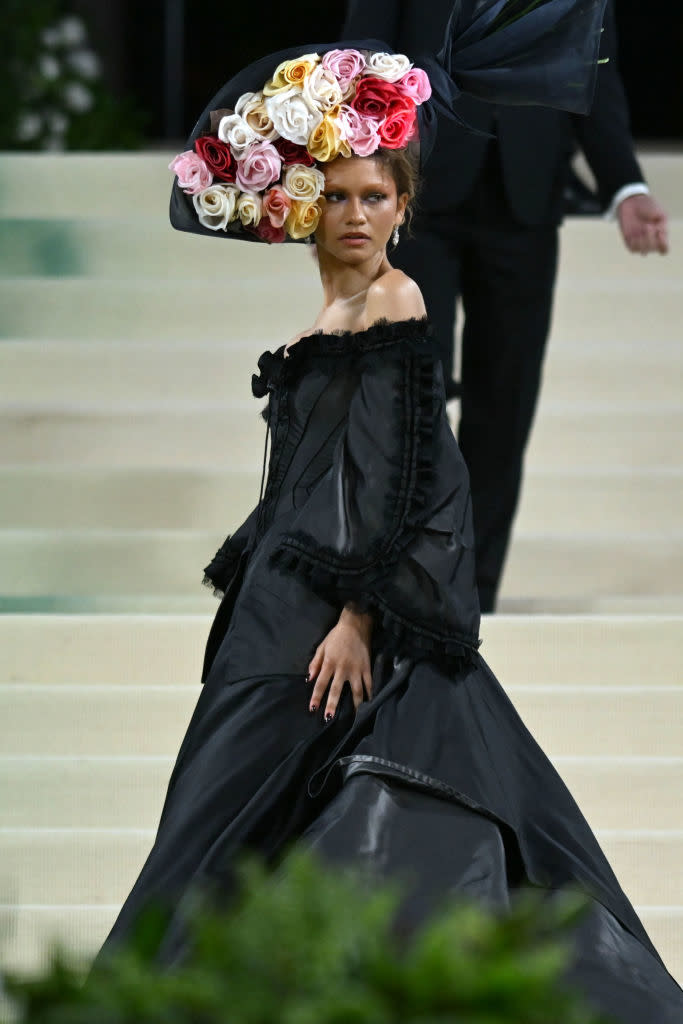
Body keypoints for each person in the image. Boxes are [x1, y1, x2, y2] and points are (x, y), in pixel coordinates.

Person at [96, 21, 683, 1022]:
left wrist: (363, 617)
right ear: (308, 208)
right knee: (218, 806)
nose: (356, 214)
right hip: (276, 604)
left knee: (244, 808)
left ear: (405, 210)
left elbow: (417, 474)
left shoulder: (396, 301)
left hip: (328, 610)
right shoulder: (318, 317)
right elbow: (314, 468)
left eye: (377, 197)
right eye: (337, 195)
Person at [342, 0, 670, 612]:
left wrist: (624, 184)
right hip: (418, 195)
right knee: (413, 394)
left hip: (527, 201)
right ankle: (407, 585)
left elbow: (593, 74)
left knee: (506, 404)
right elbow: (359, 60)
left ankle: (472, 594)